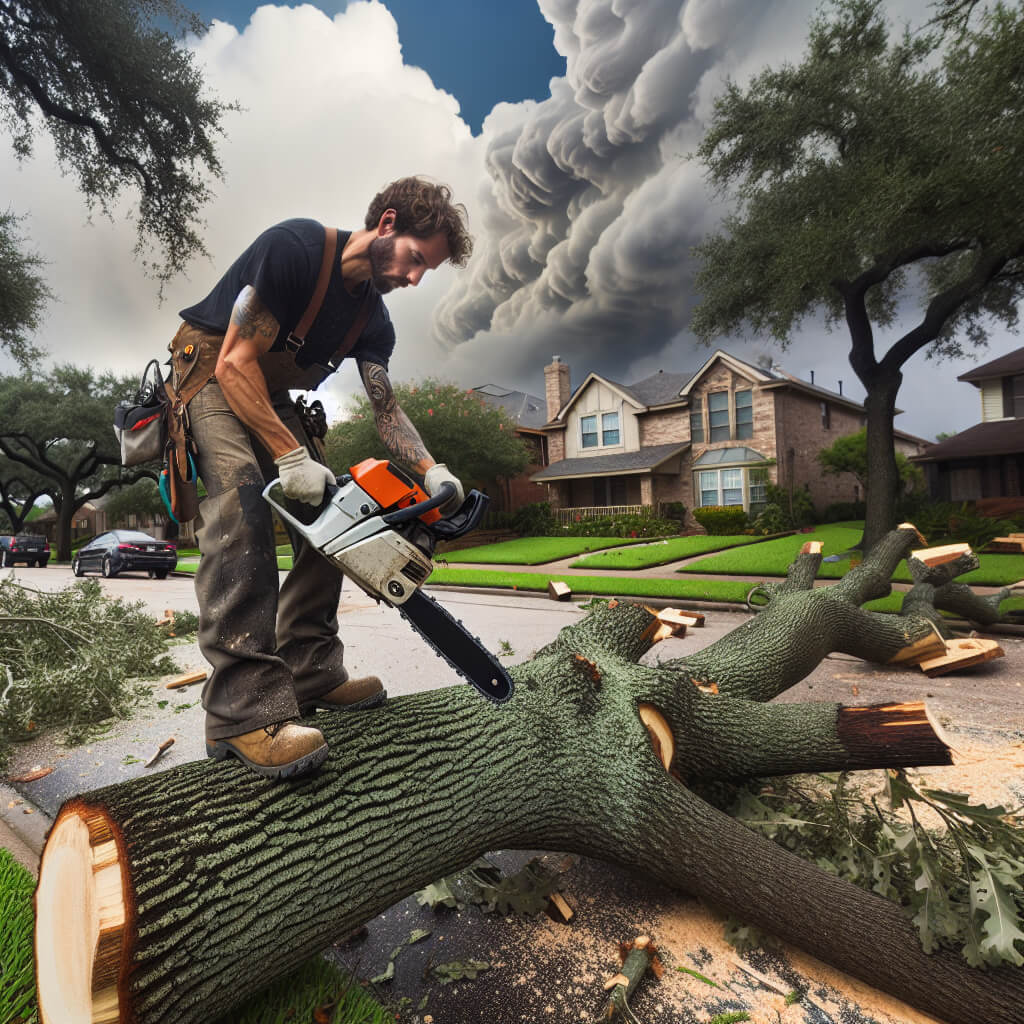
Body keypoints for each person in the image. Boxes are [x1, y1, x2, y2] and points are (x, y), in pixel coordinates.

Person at [166, 177, 472, 780]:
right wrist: (288, 455)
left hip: (266, 390)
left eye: (425, 272)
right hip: (207, 367)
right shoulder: (297, 251)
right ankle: (240, 712)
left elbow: (385, 409)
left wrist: (434, 469)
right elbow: (233, 361)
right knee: (243, 500)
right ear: (387, 224)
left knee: (339, 512)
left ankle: (310, 668)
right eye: (415, 259)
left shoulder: (372, 321)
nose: (414, 279)